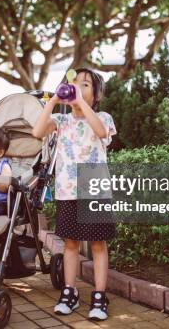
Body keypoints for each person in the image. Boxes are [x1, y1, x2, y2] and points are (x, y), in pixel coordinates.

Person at [32, 68, 117, 321]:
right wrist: (53, 102)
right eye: (74, 83)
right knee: (70, 244)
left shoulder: (102, 117)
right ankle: (70, 292)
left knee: (97, 244)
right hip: (67, 193)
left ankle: (100, 296)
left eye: (86, 85)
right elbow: (37, 132)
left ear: (96, 94)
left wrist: (80, 103)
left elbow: (101, 133)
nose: (79, 87)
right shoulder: (61, 122)